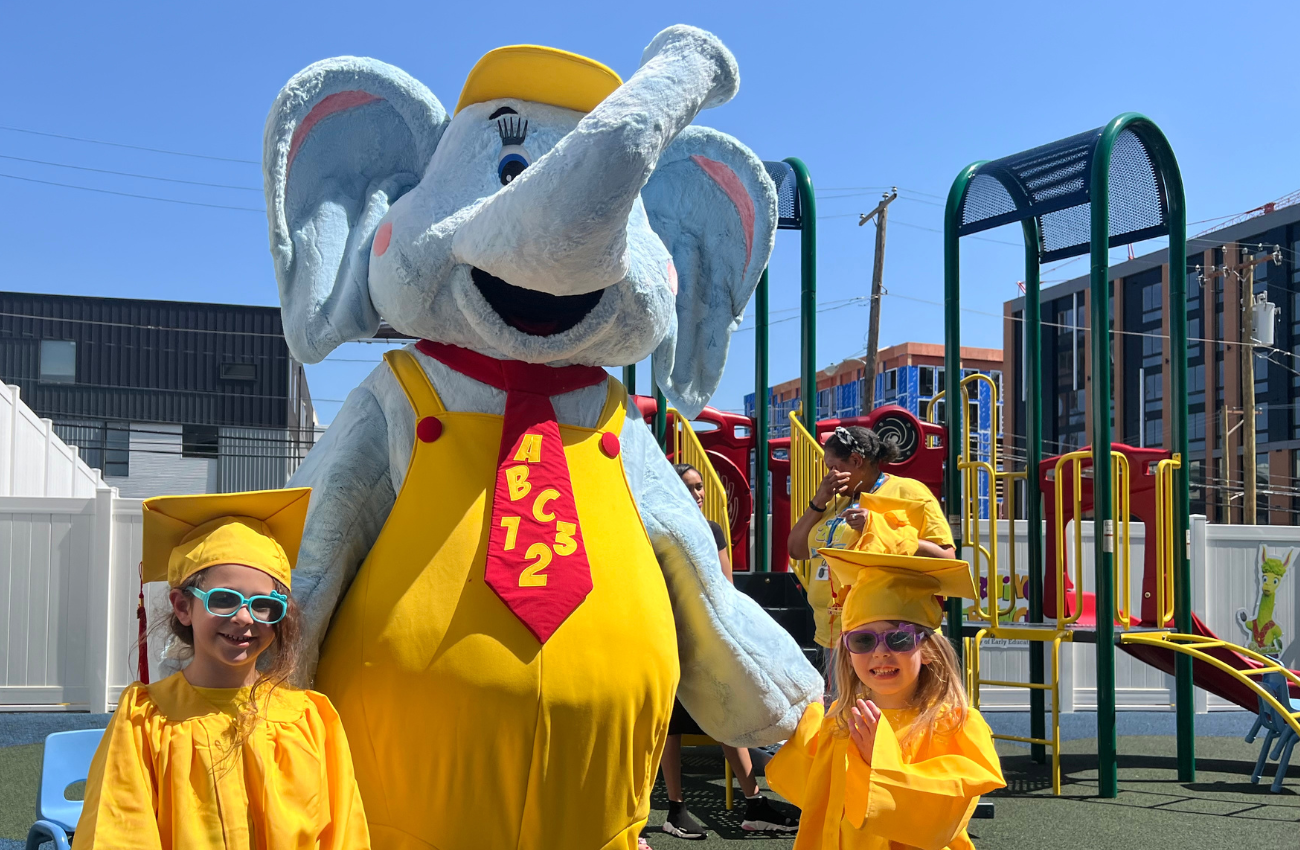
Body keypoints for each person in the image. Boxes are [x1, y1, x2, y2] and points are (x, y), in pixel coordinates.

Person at [73, 489, 370, 850]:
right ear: (183, 607)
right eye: (225, 600)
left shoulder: (311, 720)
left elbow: (344, 836)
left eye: (263, 605)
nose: (245, 618)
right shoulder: (146, 721)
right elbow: (119, 833)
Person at [766, 530, 1005, 849]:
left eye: (899, 638)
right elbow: (815, 797)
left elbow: (941, 817)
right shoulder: (837, 723)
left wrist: (879, 758)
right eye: (863, 640)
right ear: (847, 653)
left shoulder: (953, 725)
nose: (880, 653)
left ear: (929, 649)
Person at [659, 464, 799, 838]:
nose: (697, 493)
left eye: (700, 486)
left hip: (705, 637)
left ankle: (753, 802)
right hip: (669, 635)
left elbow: (726, 587)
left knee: (725, 713)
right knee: (670, 725)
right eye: (689, 486)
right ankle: (675, 808)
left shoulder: (713, 530)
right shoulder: (657, 529)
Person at [787, 426, 955, 679]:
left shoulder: (909, 492)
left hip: (887, 639)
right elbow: (796, 550)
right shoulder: (837, 500)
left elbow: (946, 558)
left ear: (856, 460)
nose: (829, 475)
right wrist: (818, 501)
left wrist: (879, 527)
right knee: (841, 716)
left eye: (833, 467)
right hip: (833, 636)